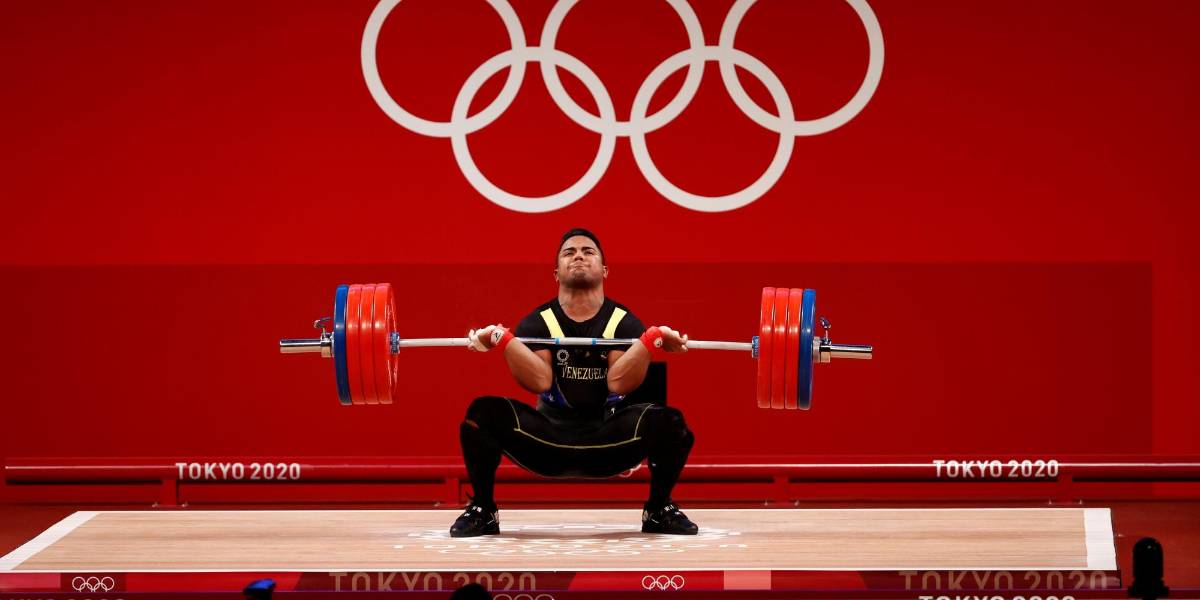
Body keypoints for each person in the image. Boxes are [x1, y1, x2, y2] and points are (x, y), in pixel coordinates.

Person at [451, 228, 697, 537]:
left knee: (670, 422)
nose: (578, 255)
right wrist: (502, 339)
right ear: (556, 272)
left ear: (605, 270)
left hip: (607, 443)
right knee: (482, 413)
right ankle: (483, 510)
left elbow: (618, 383)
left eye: (588, 251)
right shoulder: (538, 321)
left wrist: (653, 338)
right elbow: (541, 380)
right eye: (569, 252)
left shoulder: (624, 322)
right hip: (547, 442)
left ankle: (659, 510)